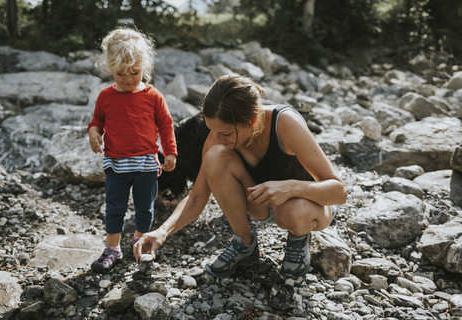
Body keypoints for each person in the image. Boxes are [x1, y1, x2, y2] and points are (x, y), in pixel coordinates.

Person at [133, 74, 346, 278]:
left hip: (308, 205)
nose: (217, 138)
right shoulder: (217, 138)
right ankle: (244, 243)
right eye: (212, 130)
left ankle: (299, 239)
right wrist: (161, 232)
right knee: (215, 156)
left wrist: (289, 188)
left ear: (252, 121)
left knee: (291, 211)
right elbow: (197, 197)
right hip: (261, 204)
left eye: (226, 133)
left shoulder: (285, 124)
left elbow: (338, 192)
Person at [88, 27, 177, 273]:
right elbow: (97, 120)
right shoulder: (106, 96)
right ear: (109, 68)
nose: (128, 79)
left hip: (146, 165)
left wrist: (170, 152)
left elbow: (166, 124)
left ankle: (140, 240)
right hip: (116, 164)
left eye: (135, 72)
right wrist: (93, 132)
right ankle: (112, 248)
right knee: (114, 207)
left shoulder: (153, 96)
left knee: (145, 208)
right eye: (120, 73)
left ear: (145, 67)